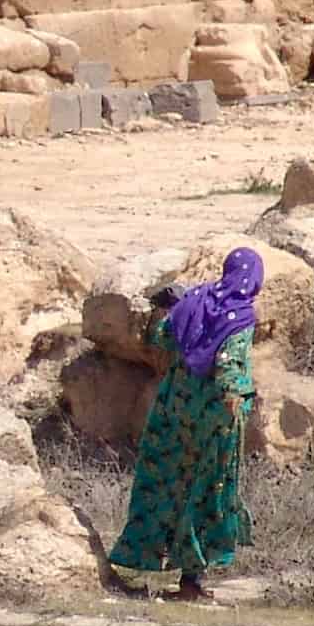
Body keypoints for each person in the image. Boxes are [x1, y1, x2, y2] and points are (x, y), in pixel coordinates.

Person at [108, 247, 264, 602]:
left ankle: (134, 561)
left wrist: (170, 307)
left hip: (171, 412)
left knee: (163, 484)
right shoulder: (240, 316)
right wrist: (239, 402)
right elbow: (228, 367)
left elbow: (161, 337)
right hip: (213, 420)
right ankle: (191, 579)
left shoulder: (194, 302)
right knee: (206, 492)